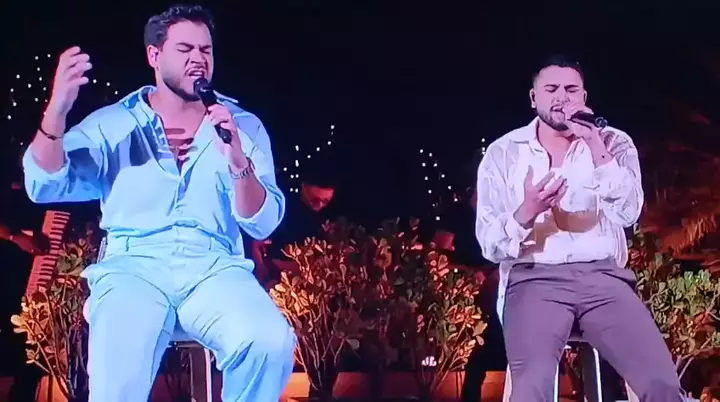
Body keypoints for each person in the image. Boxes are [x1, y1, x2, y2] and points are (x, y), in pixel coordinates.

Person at [22, 5, 295, 402]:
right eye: (185, 49)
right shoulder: (114, 123)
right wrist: (57, 111)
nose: (198, 59)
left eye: (205, 50)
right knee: (118, 378)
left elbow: (263, 222)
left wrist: (238, 159)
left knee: (269, 342)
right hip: (133, 267)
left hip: (214, 268)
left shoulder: (242, 125)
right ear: (154, 55)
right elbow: (44, 184)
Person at [475, 54, 682, 401]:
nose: (562, 97)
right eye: (551, 89)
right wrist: (527, 211)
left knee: (661, 384)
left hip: (603, 279)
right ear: (533, 98)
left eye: (571, 90)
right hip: (534, 278)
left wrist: (595, 144)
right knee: (531, 390)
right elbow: (489, 244)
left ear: (583, 97)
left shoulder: (614, 143)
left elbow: (629, 212)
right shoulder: (504, 153)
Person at [251, 165, 336, 288]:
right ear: (304, 186)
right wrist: (261, 266)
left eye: (325, 202)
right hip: (277, 278)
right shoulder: (282, 207)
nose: (320, 206)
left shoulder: (328, 218)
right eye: (315, 200)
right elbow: (256, 241)